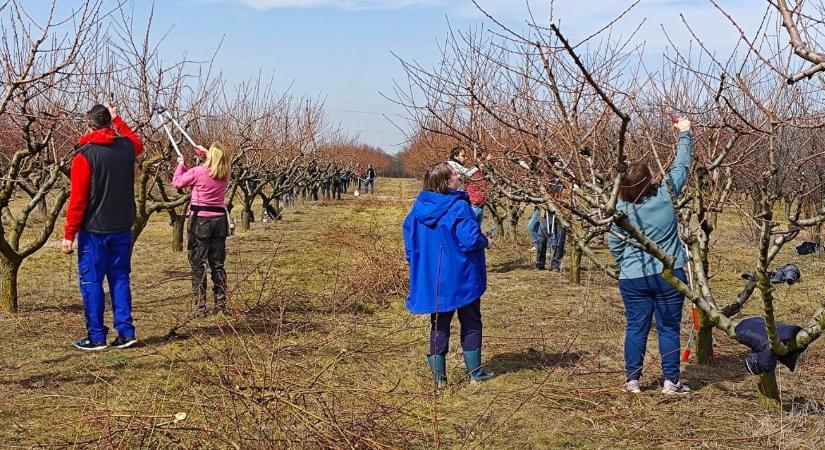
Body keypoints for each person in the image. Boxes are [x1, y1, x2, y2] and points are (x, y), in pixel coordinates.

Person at [608, 117, 692, 394]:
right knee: (668, 328)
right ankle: (671, 381)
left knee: (636, 327)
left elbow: (614, 242)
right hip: (669, 273)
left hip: (633, 278)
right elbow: (681, 166)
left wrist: (626, 264)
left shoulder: (619, 208)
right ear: (649, 180)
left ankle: (632, 380)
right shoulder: (666, 195)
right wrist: (685, 133)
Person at [403, 162, 494, 386]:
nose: (458, 176)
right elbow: (470, 239)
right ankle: (475, 373)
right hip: (462, 275)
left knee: (439, 323)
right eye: (454, 174)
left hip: (434, 278)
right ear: (446, 182)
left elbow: (409, 243)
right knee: (471, 320)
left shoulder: (417, 209)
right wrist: (485, 240)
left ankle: (439, 379)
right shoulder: (459, 207)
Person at [63, 103, 143, 351]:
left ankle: (96, 336)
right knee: (120, 278)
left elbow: (78, 199)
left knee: (92, 282)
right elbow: (135, 141)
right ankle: (126, 333)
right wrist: (119, 119)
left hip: (94, 231)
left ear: (88, 125)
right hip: (121, 226)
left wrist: (69, 234)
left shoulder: (84, 155)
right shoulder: (126, 148)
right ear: (109, 123)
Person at [172, 142, 231, 316]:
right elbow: (221, 162)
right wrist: (207, 153)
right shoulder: (226, 171)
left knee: (198, 264)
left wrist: (180, 164)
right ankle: (221, 305)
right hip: (219, 221)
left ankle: (199, 307)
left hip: (200, 221)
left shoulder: (198, 171)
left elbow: (177, 183)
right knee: (218, 264)